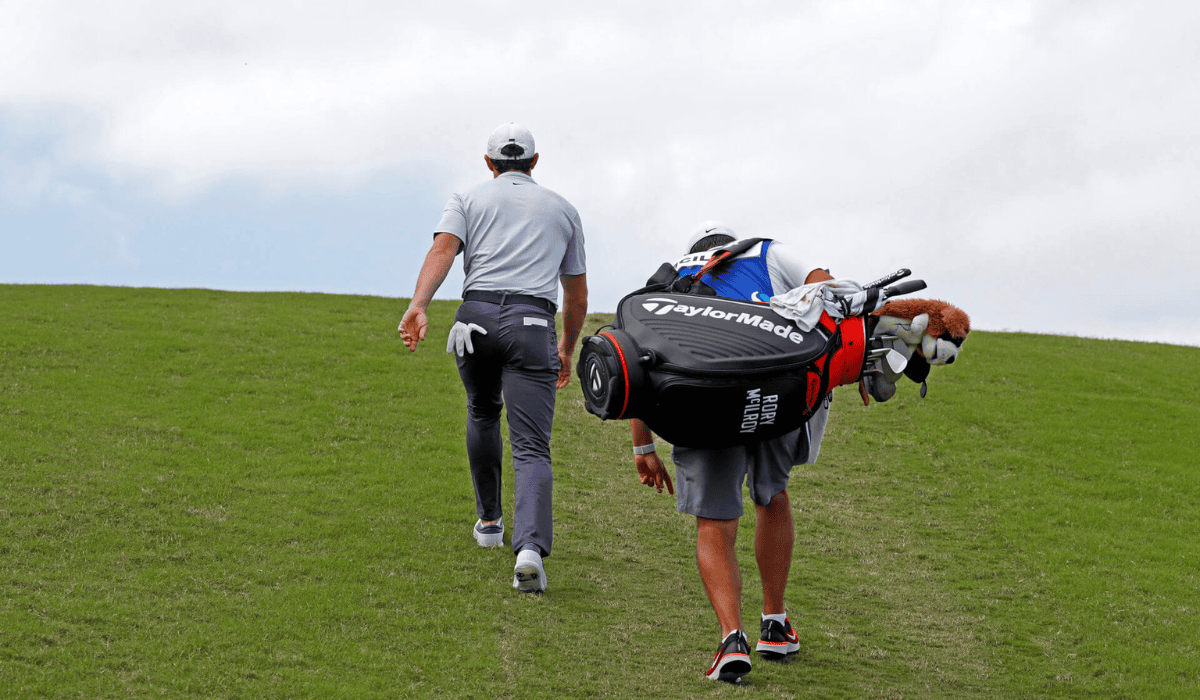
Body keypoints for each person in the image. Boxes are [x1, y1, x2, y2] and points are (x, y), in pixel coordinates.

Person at [629, 221, 834, 682]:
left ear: (694, 253)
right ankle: (775, 624)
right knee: (772, 496)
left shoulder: (667, 280)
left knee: (715, 524)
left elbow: (638, 365)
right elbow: (828, 288)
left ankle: (730, 640)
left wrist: (643, 444)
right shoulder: (766, 252)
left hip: (705, 407)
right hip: (773, 396)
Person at [399, 122, 587, 594]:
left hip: (474, 319)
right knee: (531, 444)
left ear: (489, 164)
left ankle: (489, 522)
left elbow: (443, 249)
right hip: (532, 323)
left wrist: (419, 305)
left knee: (482, 411)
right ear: (535, 162)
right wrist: (566, 347)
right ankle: (528, 550)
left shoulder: (467, 198)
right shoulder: (563, 209)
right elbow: (577, 294)